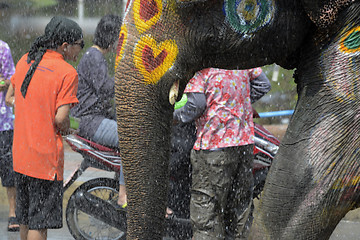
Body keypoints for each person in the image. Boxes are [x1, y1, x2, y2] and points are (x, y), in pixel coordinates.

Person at [5, 16, 83, 240]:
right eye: (79, 44)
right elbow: (60, 120)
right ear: (65, 46)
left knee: (25, 218)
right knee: (39, 224)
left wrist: (32, 110)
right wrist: (66, 127)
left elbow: (10, 97)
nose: (80, 50)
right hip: (45, 162)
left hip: (21, 156)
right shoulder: (67, 73)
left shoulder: (25, 60)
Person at [173, 67, 271, 240]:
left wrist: (173, 117)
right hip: (244, 146)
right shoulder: (240, 59)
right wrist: (239, 104)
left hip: (213, 149)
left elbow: (196, 105)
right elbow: (263, 84)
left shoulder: (202, 68)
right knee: (240, 210)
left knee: (207, 213)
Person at [69, 14, 127, 208]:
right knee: (133, 139)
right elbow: (107, 88)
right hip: (90, 121)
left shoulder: (94, 57)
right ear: (111, 38)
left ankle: (121, 185)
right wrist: (130, 82)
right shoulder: (94, 57)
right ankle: (123, 194)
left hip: (92, 119)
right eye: (119, 38)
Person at [0, 40, 19, 232]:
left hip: (3, 121)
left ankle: (13, 212)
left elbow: (11, 80)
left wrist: (2, 82)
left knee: (8, 168)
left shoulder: (3, 48)